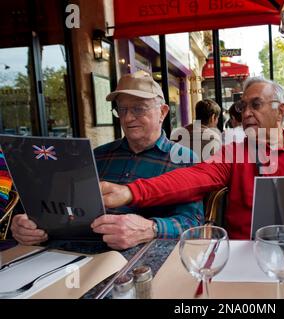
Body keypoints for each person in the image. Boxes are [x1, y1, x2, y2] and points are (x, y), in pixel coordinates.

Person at [101, 77, 284, 240]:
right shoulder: (234, 154)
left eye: (255, 105)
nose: (245, 113)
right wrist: (131, 192)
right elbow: (190, 178)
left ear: (280, 111)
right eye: (242, 107)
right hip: (246, 256)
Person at [10, 71, 204, 249]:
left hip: (137, 260)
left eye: (138, 109)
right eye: (122, 109)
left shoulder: (183, 159)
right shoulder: (98, 155)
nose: (128, 118)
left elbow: (192, 224)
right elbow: (66, 209)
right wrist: (31, 225)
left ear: (162, 112)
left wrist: (149, 228)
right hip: (69, 254)